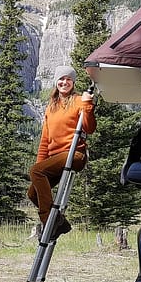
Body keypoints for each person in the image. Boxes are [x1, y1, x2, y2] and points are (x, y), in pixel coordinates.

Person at [27, 65, 96, 238]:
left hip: (75, 155)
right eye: (61, 79)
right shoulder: (51, 107)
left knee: (36, 172)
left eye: (68, 79)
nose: (64, 82)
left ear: (73, 82)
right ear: (56, 82)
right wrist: (40, 167)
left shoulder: (80, 100)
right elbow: (44, 140)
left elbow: (90, 127)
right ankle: (60, 223)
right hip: (57, 158)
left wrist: (88, 104)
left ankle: (47, 222)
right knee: (32, 193)